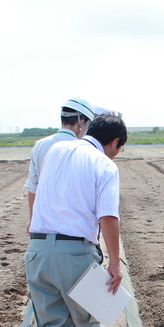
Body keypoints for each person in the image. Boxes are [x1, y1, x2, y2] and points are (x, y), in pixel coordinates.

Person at [25, 114, 127, 327]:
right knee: (91, 315)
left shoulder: (56, 151)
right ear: (114, 143)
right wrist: (114, 263)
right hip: (74, 253)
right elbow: (108, 216)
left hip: (37, 250)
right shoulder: (106, 165)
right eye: (118, 148)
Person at [24, 98, 96, 231]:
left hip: (43, 225)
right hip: (73, 226)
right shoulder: (84, 149)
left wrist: (33, 220)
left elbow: (33, 187)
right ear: (81, 121)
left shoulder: (40, 145)